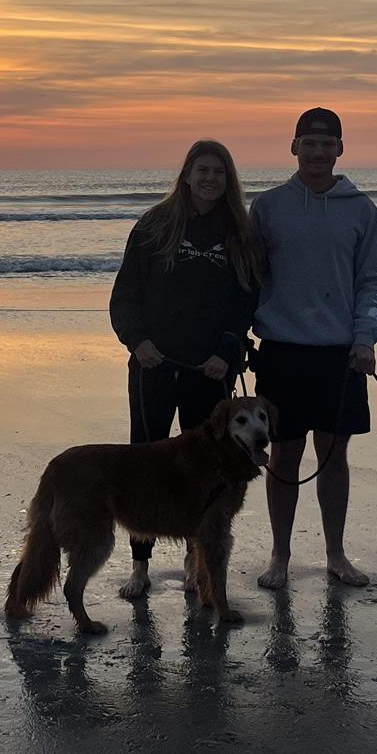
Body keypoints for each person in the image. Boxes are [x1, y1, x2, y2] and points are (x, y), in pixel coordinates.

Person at [109, 139, 261, 599]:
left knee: (207, 469)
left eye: (219, 171)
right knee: (147, 466)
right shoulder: (155, 225)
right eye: (203, 170)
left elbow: (244, 303)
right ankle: (140, 566)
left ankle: (197, 561)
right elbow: (126, 294)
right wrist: (138, 342)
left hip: (210, 370)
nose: (210, 178)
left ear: (228, 178)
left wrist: (227, 350)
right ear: (187, 174)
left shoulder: (236, 230)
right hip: (154, 365)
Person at [250, 107, 377, 590]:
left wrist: (365, 337)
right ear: (293, 148)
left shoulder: (361, 209)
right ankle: (280, 556)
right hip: (281, 351)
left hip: (340, 353)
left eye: (327, 143)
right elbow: (249, 278)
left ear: (340, 150)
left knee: (332, 457)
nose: (317, 152)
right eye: (308, 143)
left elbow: (373, 279)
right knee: (284, 457)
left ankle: (336, 555)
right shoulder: (267, 208)